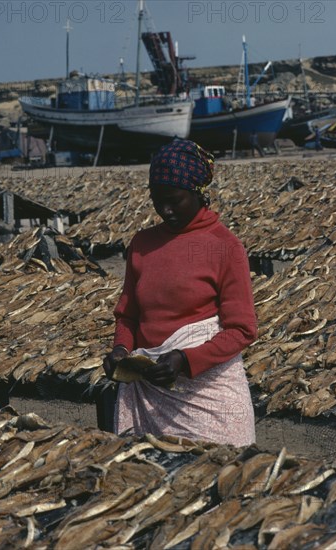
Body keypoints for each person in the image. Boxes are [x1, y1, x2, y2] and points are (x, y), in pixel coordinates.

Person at [103, 139, 258, 446]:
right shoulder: (142, 244)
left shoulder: (225, 246)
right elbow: (128, 316)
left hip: (206, 396)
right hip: (148, 394)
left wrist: (185, 361)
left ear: (199, 194)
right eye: (157, 201)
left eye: (174, 200)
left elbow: (242, 329)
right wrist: (121, 350)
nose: (166, 210)